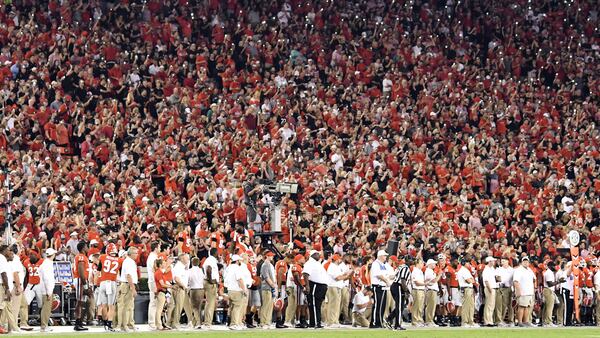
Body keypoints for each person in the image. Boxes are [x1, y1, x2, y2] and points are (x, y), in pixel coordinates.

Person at [302, 250, 328, 329]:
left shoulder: (317, 263)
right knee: (314, 304)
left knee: (318, 304)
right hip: (315, 285)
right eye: (317, 254)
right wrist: (307, 286)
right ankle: (316, 322)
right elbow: (305, 273)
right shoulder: (309, 263)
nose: (319, 255)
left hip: (321, 286)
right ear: (313, 255)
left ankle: (314, 322)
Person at [97, 243, 120, 331]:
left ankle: (105, 323)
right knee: (111, 306)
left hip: (103, 283)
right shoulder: (119, 260)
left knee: (103, 305)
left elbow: (98, 270)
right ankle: (109, 324)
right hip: (112, 283)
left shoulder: (102, 257)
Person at [325, 254, 351, 328]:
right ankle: (331, 322)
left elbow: (340, 276)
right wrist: (346, 276)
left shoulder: (336, 267)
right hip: (333, 287)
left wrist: (345, 274)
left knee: (337, 305)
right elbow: (337, 278)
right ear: (337, 259)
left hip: (337, 287)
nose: (340, 260)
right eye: (339, 259)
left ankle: (335, 321)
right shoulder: (332, 266)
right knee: (333, 305)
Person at [117, 247, 139, 332]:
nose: (137, 255)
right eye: (136, 253)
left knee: (130, 306)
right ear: (131, 254)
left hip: (128, 284)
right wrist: (133, 288)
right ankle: (124, 325)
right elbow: (129, 276)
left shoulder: (130, 261)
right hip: (127, 285)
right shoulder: (129, 262)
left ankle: (129, 324)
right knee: (126, 307)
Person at [385, 257, 410, 331]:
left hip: (396, 286)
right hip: (398, 286)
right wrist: (406, 291)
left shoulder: (401, 267)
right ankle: (397, 325)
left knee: (400, 306)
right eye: (409, 259)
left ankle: (389, 319)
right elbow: (402, 280)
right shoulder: (405, 267)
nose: (411, 261)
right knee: (399, 307)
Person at [369, 250, 392, 328]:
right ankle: (374, 322)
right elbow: (378, 275)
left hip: (384, 287)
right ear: (380, 256)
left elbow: (387, 274)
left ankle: (380, 322)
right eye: (384, 256)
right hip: (377, 286)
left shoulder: (383, 265)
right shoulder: (376, 264)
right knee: (377, 305)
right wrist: (386, 281)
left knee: (382, 306)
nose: (386, 257)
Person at [225, 255, 247, 330]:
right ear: (237, 261)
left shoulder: (228, 268)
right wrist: (244, 289)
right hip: (237, 290)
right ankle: (234, 324)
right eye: (239, 261)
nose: (240, 262)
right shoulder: (237, 268)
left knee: (231, 307)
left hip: (230, 290)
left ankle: (231, 323)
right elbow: (239, 279)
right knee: (237, 308)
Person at [513, 256, 536, 327]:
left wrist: (534, 288)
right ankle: (520, 322)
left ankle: (525, 321)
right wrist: (518, 291)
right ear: (521, 262)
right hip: (523, 291)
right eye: (524, 261)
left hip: (529, 291)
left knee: (527, 307)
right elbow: (516, 281)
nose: (526, 263)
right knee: (521, 306)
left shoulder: (529, 270)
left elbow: (534, 279)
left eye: (527, 261)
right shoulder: (518, 270)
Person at [169, 253, 190, 329]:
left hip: (181, 287)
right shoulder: (179, 267)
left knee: (178, 306)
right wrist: (184, 287)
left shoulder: (182, 267)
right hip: (179, 287)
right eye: (186, 258)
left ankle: (172, 322)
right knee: (178, 306)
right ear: (182, 259)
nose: (188, 259)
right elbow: (177, 279)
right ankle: (175, 323)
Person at [39, 248, 57, 332]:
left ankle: (44, 325)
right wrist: (49, 291)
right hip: (46, 289)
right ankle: (44, 326)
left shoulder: (45, 263)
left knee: (46, 308)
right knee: (46, 308)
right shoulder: (47, 264)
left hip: (45, 288)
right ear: (52, 255)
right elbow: (47, 279)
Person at [73, 241, 90, 331]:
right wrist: (86, 285)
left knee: (81, 302)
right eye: (86, 246)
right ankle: (77, 323)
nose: (88, 248)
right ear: (83, 248)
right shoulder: (81, 257)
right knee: (79, 302)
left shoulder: (82, 256)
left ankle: (79, 322)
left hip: (82, 280)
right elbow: (81, 271)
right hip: (80, 280)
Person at [0, 245, 16, 333]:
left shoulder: (3, 259)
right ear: (5, 250)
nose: (10, 252)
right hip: (2, 286)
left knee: (4, 307)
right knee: (0, 307)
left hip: (3, 285)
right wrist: (7, 289)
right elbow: (3, 274)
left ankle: (12, 328)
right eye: (9, 250)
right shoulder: (1, 258)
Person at [202, 248, 219, 328]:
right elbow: (209, 270)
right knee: (210, 304)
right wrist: (211, 280)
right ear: (215, 253)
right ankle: (207, 323)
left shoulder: (209, 259)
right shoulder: (211, 260)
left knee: (209, 303)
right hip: (210, 283)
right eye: (217, 252)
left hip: (208, 282)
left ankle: (207, 322)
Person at [456, 258, 476, 327]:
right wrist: (472, 280)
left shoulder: (466, 270)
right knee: (466, 306)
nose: (469, 264)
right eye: (468, 263)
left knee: (471, 306)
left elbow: (472, 280)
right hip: (466, 289)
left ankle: (470, 321)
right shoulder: (463, 270)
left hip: (469, 288)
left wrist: (472, 280)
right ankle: (464, 322)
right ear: (464, 263)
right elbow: (469, 280)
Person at [153, 258, 172, 331]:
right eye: (164, 263)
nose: (165, 264)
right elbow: (162, 284)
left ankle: (160, 324)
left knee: (161, 309)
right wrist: (171, 286)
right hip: (161, 292)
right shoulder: (158, 273)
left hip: (163, 292)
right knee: (159, 309)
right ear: (160, 265)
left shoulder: (160, 272)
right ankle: (158, 325)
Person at [259, 251, 276, 329]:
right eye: (271, 256)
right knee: (266, 305)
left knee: (270, 306)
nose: (272, 257)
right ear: (267, 256)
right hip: (266, 287)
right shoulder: (265, 265)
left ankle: (268, 322)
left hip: (270, 288)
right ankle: (263, 322)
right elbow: (266, 277)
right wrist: (272, 285)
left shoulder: (269, 265)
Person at [495, 257, 514, 326]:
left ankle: (511, 320)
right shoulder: (498, 269)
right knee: (502, 305)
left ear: (507, 261)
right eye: (501, 261)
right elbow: (497, 278)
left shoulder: (512, 270)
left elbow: (514, 280)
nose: (502, 262)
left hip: (510, 287)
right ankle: (500, 320)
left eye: (503, 261)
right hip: (502, 288)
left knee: (511, 305)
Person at [146, 241, 160, 330]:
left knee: (155, 303)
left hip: (154, 281)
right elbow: (154, 271)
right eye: (159, 247)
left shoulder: (153, 257)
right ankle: (152, 323)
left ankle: (154, 322)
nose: (160, 249)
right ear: (155, 248)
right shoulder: (153, 257)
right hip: (153, 281)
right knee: (153, 303)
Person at [188, 257, 205, 329]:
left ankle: (198, 323)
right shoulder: (201, 270)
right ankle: (196, 323)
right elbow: (204, 279)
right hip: (201, 290)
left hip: (194, 290)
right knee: (199, 307)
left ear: (192, 263)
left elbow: (189, 280)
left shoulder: (190, 271)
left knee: (194, 307)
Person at [481, 257, 498, 327]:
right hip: (489, 288)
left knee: (491, 305)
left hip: (493, 288)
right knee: (489, 305)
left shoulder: (492, 269)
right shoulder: (486, 270)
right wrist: (490, 289)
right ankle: (487, 321)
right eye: (493, 261)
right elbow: (486, 281)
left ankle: (490, 320)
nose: (494, 262)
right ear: (489, 262)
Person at [424, 259, 440, 327]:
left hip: (433, 290)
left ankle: (431, 320)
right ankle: (429, 321)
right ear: (430, 264)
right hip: (431, 290)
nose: (435, 265)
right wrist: (439, 275)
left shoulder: (431, 271)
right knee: (430, 306)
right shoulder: (428, 271)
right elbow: (433, 281)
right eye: (433, 263)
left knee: (432, 306)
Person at [410, 259, 426, 327]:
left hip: (421, 289)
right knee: (416, 306)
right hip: (417, 289)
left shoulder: (420, 271)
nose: (422, 264)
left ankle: (419, 320)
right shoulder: (415, 271)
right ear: (417, 263)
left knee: (420, 306)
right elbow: (416, 282)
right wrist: (425, 283)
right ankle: (415, 321)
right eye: (421, 263)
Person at [542, 261, 558, 327]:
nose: (554, 267)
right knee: (549, 307)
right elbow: (550, 284)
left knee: (547, 307)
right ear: (550, 266)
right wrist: (558, 281)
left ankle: (545, 321)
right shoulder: (548, 273)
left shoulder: (550, 272)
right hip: (548, 290)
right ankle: (548, 322)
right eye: (553, 266)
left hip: (549, 290)